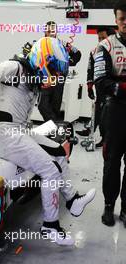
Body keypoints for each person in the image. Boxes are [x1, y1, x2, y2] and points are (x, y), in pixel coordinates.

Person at [0, 37, 95, 246]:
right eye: (54, 69)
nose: (55, 75)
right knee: (50, 170)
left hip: (21, 131)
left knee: (59, 153)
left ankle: (72, 200)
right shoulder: (14, 67)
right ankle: (50, 226)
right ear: (44, 59)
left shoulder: (33, 78)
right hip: (4, 134)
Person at [94, 1, 126, 227]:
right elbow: (101, 82)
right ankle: (108, 205)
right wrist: (120, 86)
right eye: (122, 19)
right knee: (112, 160)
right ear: (116, 20)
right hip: (115, 110)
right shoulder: (105, 45)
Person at [76, 27, 115, 148]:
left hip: (114, 89)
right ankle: (91, 132)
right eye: (99, 38)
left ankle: (108, 139)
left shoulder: (117, 50)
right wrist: (89, 86)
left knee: (109, 115)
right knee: (98, 112)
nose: (101, 40)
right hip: (100, 88)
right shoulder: (94, 51)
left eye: (104, 38)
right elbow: (90, 70)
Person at [38, 21, 81, 122]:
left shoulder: (63, 44)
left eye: (52, 31)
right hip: (45, 77)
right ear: (45, 31)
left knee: (55, 104)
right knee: (42, 105)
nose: (50, 33)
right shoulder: (40, 44)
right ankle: (54, 126)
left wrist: (68, 62)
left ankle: (52, 130)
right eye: (48, 31)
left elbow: (77, 54)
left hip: (59, 77)